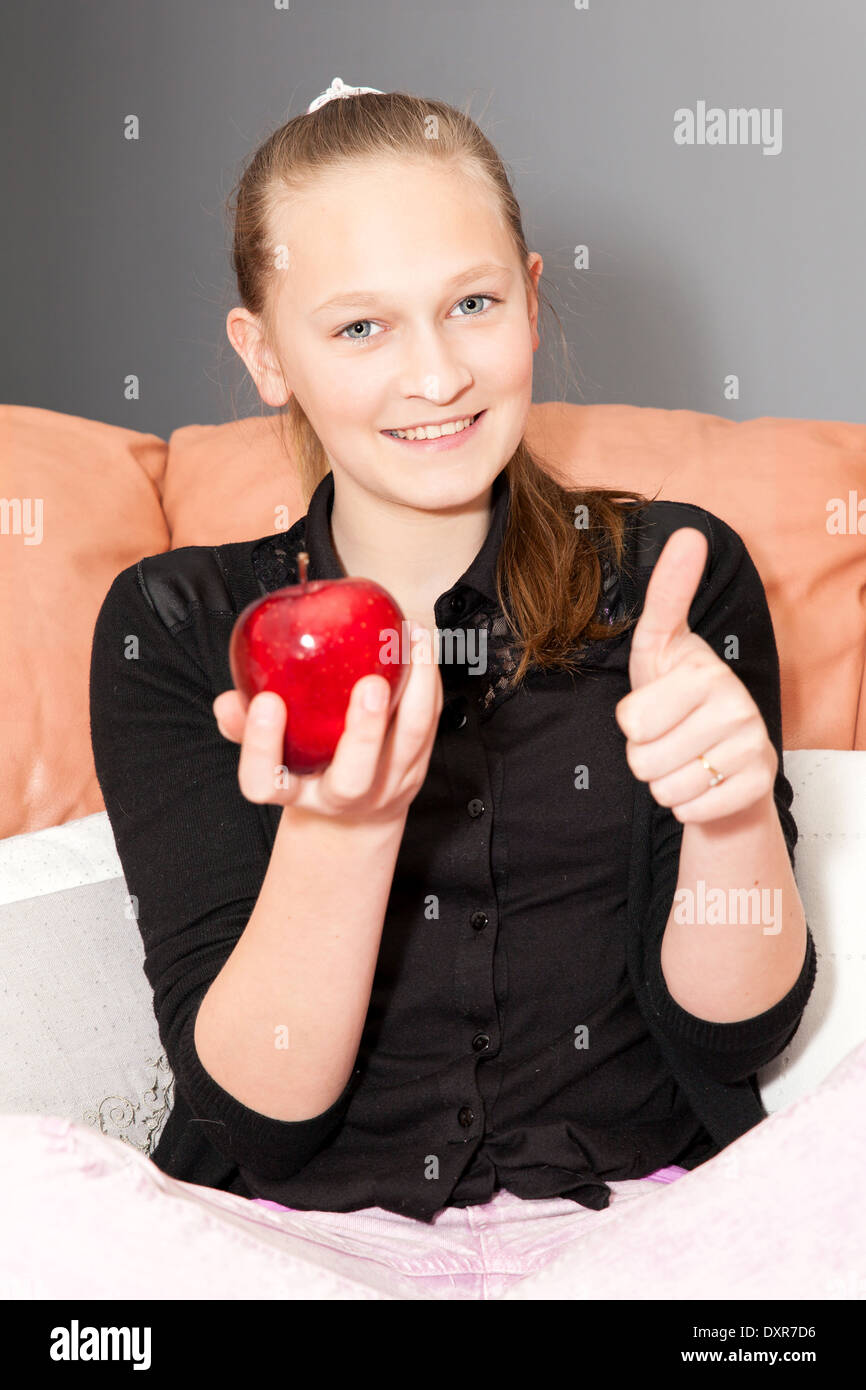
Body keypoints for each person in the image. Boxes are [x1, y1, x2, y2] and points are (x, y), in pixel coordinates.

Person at [12, 77, 839, 1302]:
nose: (436, 374)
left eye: (470, 304)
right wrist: (341, 833)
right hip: (301, 1254)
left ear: (529, 293)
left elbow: (736, 1037)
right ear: (263, 353)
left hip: (642, 1247)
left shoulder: (671, 574)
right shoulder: (175, 625)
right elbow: (254, 1120)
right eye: (359, 329)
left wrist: (727, 820)